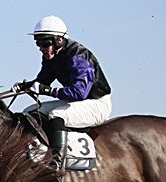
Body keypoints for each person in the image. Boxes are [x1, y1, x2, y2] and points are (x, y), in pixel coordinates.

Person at [12, 15, 112, 170]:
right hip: (76, 102)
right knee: (29, 112)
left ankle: (56, 162)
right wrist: (25, 86)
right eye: (38, 43)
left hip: (96, 103)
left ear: (59, 40)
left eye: (44, 43)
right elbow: (43, 81)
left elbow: (79, 93)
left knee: (57, 115)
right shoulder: (51, 56)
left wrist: (46, 90)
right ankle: (37, 154)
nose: (40, 47)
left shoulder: (79, 57)